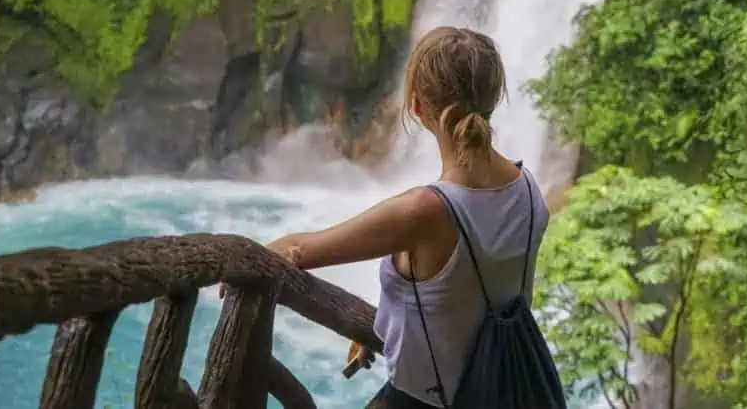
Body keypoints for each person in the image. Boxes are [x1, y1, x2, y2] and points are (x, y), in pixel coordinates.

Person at [222, 25, 552, 408]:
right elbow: (471, 292)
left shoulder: (425, 211)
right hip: (507, 391)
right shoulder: (530, 192)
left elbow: (298, 248)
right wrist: (388, 322)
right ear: (495, 97)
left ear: (417, 106)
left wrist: (239, 266)